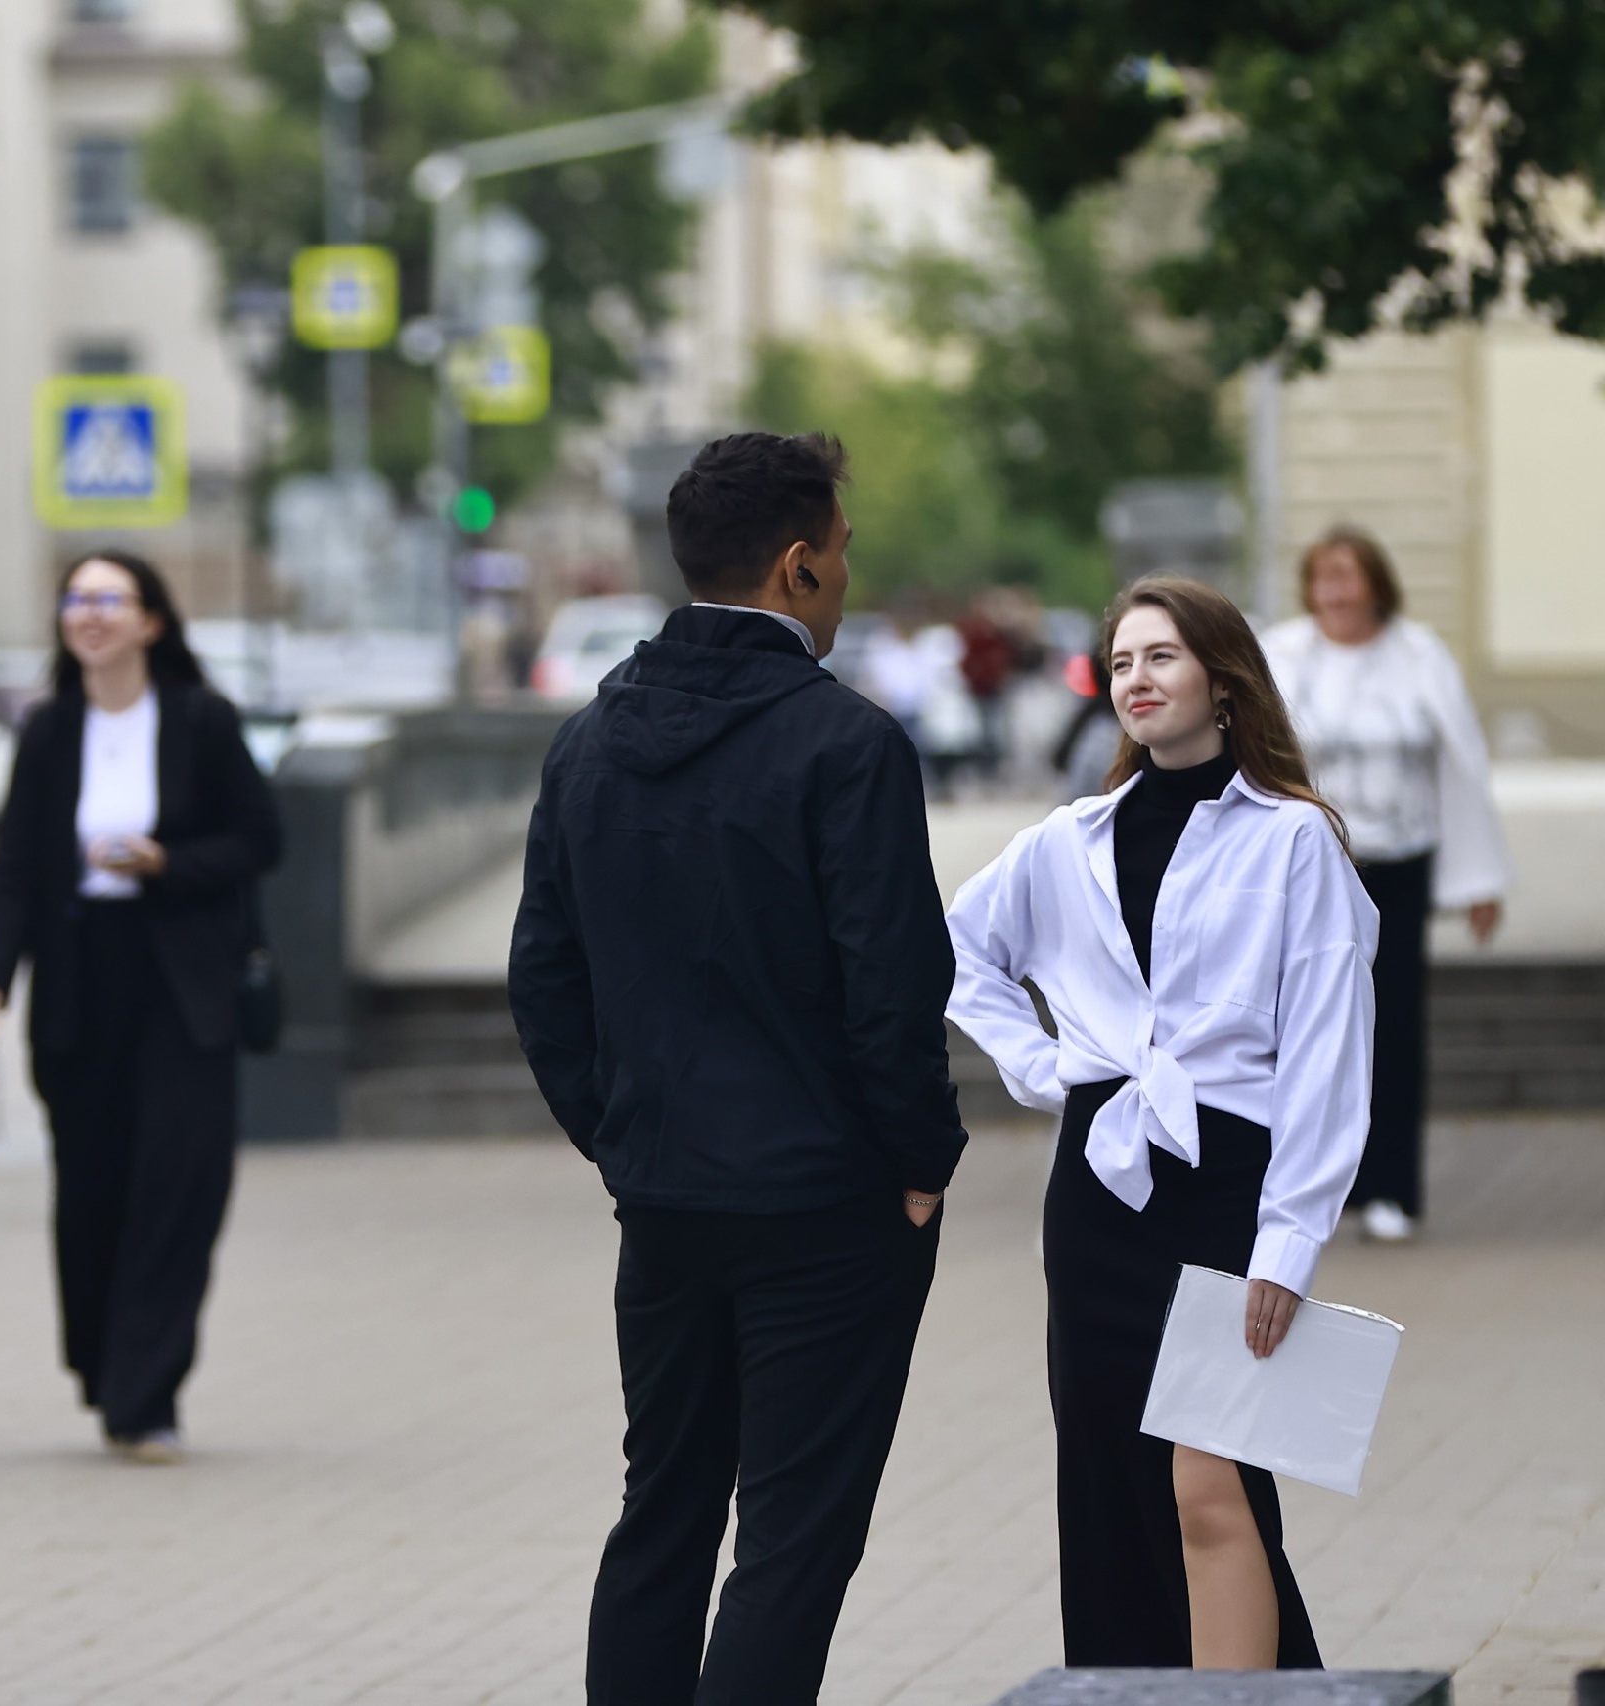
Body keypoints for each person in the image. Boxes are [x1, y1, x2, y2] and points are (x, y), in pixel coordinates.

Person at [508, 432, 967, 1703]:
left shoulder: (588, 740)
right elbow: (891, 986)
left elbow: (542, 978)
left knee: (661, 1511)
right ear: (797, 564)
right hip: (827, 1202)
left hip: (664, 1196)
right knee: (791, 1537)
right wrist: (919, 1160)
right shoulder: (848, 744)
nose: (845, 579)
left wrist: (623, 1135)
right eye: (842, 553)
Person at [947, 576, 1378, 1669]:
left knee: (1211, 1481)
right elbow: (952, 947)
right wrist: (1044, 1065)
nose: (1136, 678)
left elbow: (1328, 1054)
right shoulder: (1067, 839)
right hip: (1098, 1191)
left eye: (1162, 656)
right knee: (1107, 1480)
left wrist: (1290, 1238)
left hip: (1226, 1186)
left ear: (1223, 680)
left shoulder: (1294, 840)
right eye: (1121, 661)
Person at [0, 550, 279, 1465]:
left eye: (110, 598)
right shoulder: (49, 731)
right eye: (76, 599)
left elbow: (260, 837)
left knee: (180, 1185)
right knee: (92, 1190)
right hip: (80, 981)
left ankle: (148, 1390)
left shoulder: (201, 720)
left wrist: (168, 862)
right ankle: (107, 1365)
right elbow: (15, 873)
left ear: (151, 621)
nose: (90, 614)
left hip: (180, 980)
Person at [1265, 527, 1509, 1242]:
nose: (1336, 592)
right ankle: (1305, 1186)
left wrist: (1480, 880)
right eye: (1324, 578)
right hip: (1310, 869)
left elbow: (1463, 765)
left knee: (1393, 1027)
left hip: (1398, 865)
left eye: (1349, 576)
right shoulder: (1282, 655)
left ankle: (1390, 1189)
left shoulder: (1419, 654)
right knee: (1301, 1027)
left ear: (1377, 584)